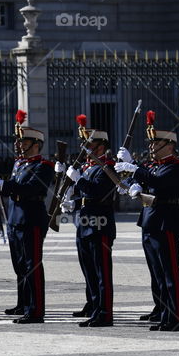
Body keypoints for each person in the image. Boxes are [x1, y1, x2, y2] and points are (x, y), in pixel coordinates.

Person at [115, 110, 179, 332]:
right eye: (150, 142)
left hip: (166, 222)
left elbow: (159, 182)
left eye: (155, 143)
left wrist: (135, 168)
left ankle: (175, 317)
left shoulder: (176, 166)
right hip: (150, 222)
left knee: (169, 273)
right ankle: (164, 313)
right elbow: (150, 181)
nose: (151, 146)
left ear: (168, 145)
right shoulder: (156, 165)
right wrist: (136, 185)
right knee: (157, 273)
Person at [0, 110, 55, 324]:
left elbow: (31, 189)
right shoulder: (20, 164)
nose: (18, 144)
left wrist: (4, 185)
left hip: (31, 219)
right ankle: (23, 302)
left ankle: (36, 310)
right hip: (15, 219)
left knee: (32, 264)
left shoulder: (44, 166)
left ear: (35, 143)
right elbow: (15, 187)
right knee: (20, 265)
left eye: (23, 141)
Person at [61, 115, 120, 327]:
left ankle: (105, 313)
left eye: (91, 145)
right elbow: (84, 195)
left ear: (101, 146)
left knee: (102, 272)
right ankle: (95, 309)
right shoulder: (88, 167)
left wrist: (78, 180)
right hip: (84, 223)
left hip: (100, 224)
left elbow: (98, 191)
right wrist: (71, 203)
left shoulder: (108, 167)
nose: (86, 149)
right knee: (89, 271)